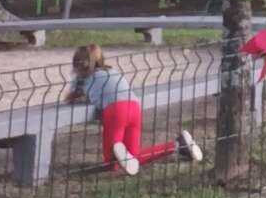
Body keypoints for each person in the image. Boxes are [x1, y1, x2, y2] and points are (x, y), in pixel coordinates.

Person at [65, 43, 203, 176]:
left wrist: (84, 93)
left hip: (116, 111)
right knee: (134, 156)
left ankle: (119, 154)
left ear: (77, 65)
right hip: (135, 107)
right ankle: (178, 145)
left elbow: (69, 98)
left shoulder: (82, 79)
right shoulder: (112, 71)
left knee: (112, 163)